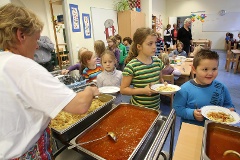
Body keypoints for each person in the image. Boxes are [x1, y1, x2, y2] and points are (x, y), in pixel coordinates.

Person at [0, 3, 99, 159]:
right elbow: (80, 105)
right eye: (37, 39)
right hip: (26, 152)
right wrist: (91, 89)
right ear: (21, 35)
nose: (37, 47)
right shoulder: (23, 67)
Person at [173, 49, 235, 126]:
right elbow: (177, 108)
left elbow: (229, 104)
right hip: (192, 128)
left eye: (214, 69)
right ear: (194, 69)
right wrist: (192, 114)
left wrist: (229, 110)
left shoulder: (221, 87)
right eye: (205, 69)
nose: (210, 73)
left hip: (215, 127)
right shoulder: (185, 89)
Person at [120, 27, 165, 110]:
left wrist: (164, 85)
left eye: (155, 43)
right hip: (139, 109)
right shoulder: (132, 66)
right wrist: (143, 91)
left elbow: (160, 79)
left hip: (156, 107)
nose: (154, 47)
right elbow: (123, 90)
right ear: (139, 46)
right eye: (150, 44)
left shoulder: (158, 62)